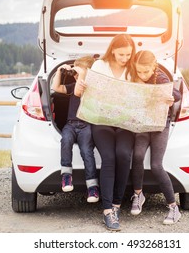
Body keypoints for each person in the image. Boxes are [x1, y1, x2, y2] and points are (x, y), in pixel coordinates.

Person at [75, 34, 136, 231]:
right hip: (102, 121)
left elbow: (145, 84)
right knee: (109, 158)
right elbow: (84, 93)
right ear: (113, 50)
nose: (125, 58)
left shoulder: (132, 67)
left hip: (125, 122)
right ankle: (108, 211)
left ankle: (117, 205)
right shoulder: (100, 66)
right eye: (121, 54)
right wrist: (82, 85)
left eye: (128, 54)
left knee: (124, 155)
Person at [130, 50, 182, 224]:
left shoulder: (161, 79)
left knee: (156, 165)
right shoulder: (133, 77)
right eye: (139, 72)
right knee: (137, 156)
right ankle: (138, 194)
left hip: (160, 124)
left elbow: (177, 95)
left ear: (154, 67)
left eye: (146, 71)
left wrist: (170, 97)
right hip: (143, 124)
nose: (142, 75)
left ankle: (173, 207)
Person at [51, 56, 99, 203]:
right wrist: (59, 71)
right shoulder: (73, 85)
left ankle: (92, 187)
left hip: (86, 125)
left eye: (79, 72)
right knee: (65, 140)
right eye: (76, 73)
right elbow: (56, 88)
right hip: (71, 124)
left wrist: (83, 75)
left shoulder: (92, 88)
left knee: (86, 151)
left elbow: (80, 91)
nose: (76, 75)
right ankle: (66, 176)